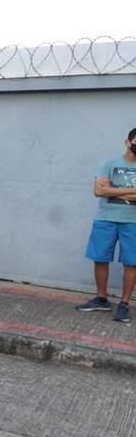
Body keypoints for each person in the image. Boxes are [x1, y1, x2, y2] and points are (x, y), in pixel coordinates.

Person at [77, 127, 136, 322]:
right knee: (100, 258)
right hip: (105, 219)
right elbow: (99, 191)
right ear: (127, 142)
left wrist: (112, 189)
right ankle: (101, 299)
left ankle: (124, 304)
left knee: (132, 262)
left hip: (133, 222)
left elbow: (106, 190)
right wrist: (131, 191)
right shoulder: (108, 164)